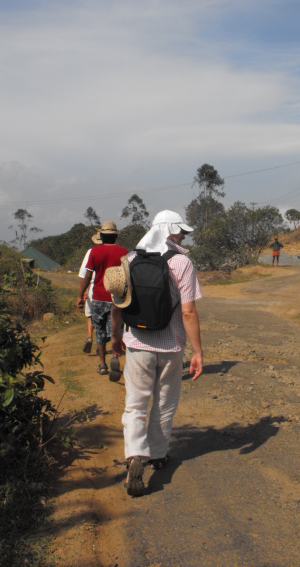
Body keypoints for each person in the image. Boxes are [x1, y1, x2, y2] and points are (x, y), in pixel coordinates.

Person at [108, 210, 203, 497]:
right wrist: (198, 350)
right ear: (170, 231)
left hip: (137, 344)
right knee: (164, 403)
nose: (183, 236)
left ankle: (136, 454)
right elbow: (188, 311)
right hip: (171, 347)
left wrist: (115, 337)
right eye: (181, 231)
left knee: (135, 405)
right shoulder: (182, 263)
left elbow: (117, 306)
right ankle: (158, 455)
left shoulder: (130, 260)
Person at [77, 221, 128, 375]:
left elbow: (87, 275)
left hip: (98, 296)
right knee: (115, 329)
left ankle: (102, 365)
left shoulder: (94, 252)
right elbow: (128, 274)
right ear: (115, 236)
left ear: (102, 236)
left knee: (99, 330)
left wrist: (81, 295)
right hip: (117, 298)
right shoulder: (124, 251)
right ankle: (115, 357)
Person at [78, 231, 102, 353]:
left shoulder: (91, 252)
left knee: (90, 315)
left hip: (92, 286)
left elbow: (84, 274)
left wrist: (82, 293)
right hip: (107, 287)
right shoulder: (114, 251)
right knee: (104, 316)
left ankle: (89, 337)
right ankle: (101, 343)